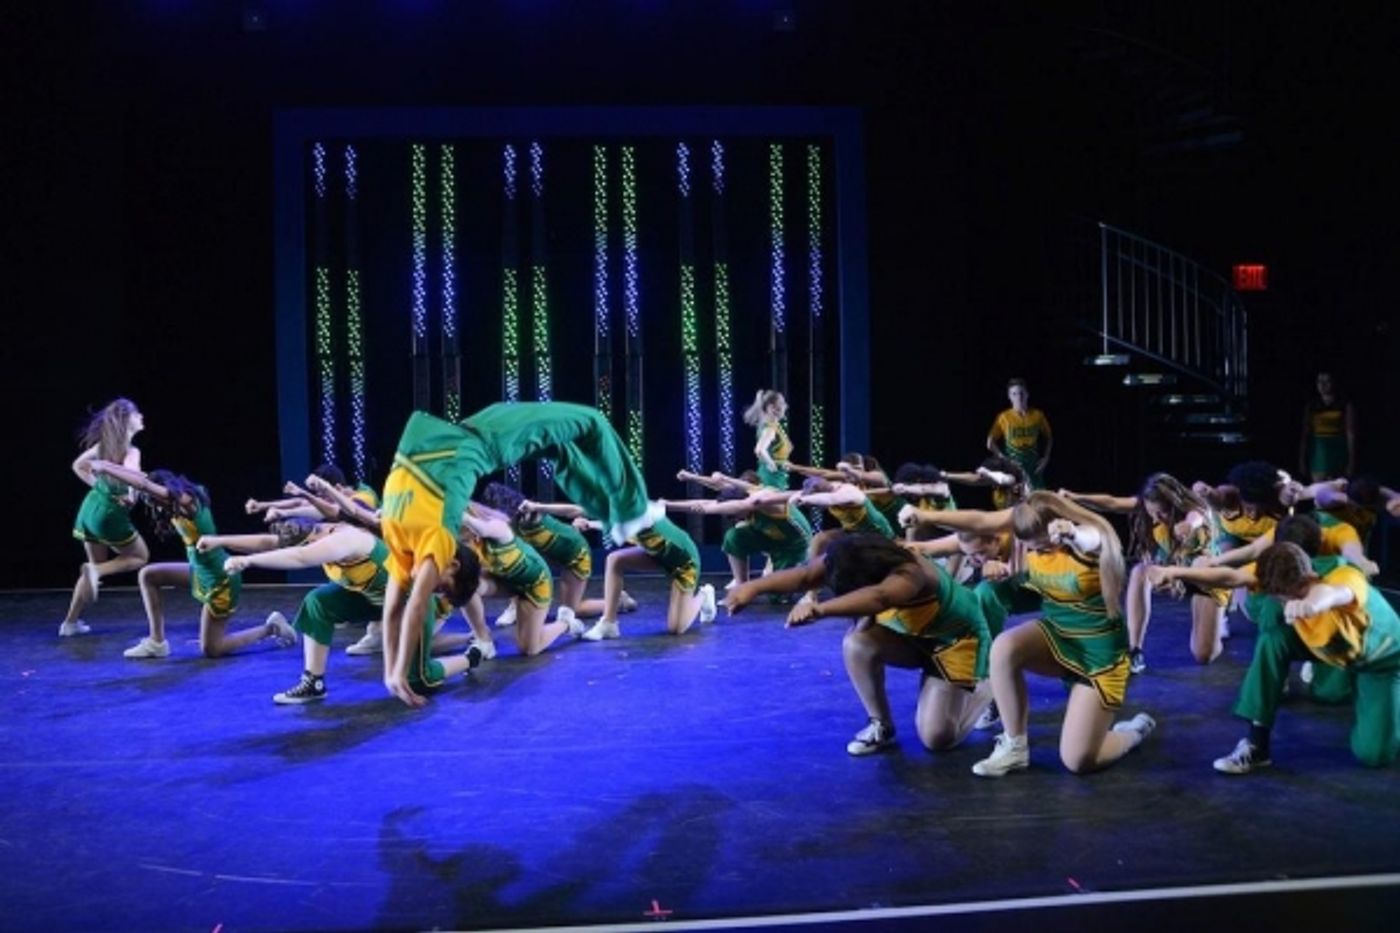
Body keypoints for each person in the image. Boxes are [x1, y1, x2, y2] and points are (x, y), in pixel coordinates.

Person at [379, 402, 657, 707]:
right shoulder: (403, 545)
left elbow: (415, 605)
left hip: (487, 438)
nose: (434, 589)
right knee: (562, 449)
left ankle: (631, 510)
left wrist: (398, 671)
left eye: (441, 585)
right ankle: (611, 508)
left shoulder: (437, 540)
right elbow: (393, 608)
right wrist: (391, 671)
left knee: (591, 421)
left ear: (453, 562)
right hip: (447, 442)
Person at [900, 491, 1155, 777]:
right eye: (1031, 547)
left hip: (1099, 654)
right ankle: (1014, 746)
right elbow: (980, 521)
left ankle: (1133, 732)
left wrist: (1071, 533)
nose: (1036, 552)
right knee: (1004, 647)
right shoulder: (1026, 527)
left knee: (1078, 761)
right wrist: (925, 519)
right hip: (1058, 634)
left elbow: (1091, 536)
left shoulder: (1089, 539)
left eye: (1043, 548)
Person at [726, 533, 994, 757]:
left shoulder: (911, 572)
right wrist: (752, 587)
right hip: (914, 637)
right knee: (857, 643)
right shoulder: (854, 555)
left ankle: (989, 688)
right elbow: (806, 575)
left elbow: (880, 597)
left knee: (937, 738)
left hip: (956, 644)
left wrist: (819, 610)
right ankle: (881, 725)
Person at [1151, 541, 1400, 772]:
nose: (1286, 603)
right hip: (1337, 650)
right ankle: (1257, 745)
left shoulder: (1344, 574)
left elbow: (1337, 593)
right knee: (1274, 640)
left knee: (1374, 754)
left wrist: (1311, 604)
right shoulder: (1278, 575)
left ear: (1308, 577)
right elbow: (1232, 576)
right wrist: (1175, 572)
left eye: (1292, 595)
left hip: (1382, 663)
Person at [87, 460, 298, 659]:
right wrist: (111, 468)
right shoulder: (182, 498)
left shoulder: (187, 502)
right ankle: (156, 642)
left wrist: (105, 467)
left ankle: (272, 628)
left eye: (154, 500)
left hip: (219, 579)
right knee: (148, 575)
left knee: (212, 649)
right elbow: (142, 480)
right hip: (201, 571)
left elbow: (143, 483)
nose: (157, 507)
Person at [1063, 474, 1227, 672]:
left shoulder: (1194, 509)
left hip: (1205, 580)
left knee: (1203, 655)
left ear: (1174, 504)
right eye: (1152, 513)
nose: (1157, 519)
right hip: (1177, 573)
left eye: (1163, 513)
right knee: (1140, 571)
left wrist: (1189, 525)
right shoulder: (1150, 510)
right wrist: (1076, 497)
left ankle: (1219, 623)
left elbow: (1199, 515)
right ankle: (1135, 650)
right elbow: (1112, 502)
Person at [61, 399, 150, 637]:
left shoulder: (103, 446)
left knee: (94, 569)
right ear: (126, 420)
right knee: (140, 556)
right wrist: (131, 491)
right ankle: (96, 572)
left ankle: (69, 623)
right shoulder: (131, 451)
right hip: (109, 515)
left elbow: (78, 466)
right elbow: (132, 473)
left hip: (90, 509)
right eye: (136, 413)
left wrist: (101, 485)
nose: (141, 416)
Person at [987, 378, 1052, 490]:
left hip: (1034, 467)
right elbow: (990, 443)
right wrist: (1004, 459)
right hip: (1014, 468)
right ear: (1009, 396)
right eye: (1014, 394)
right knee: (1017, 503)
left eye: (1021, 393)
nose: (1019, 397)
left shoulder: (1038, 415)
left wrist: (1046, 458)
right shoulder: (1003, 417)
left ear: (1027, 394)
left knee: (1039, 502)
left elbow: (1049, 437)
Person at [1299, 371, 1355, 482]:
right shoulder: (1312, 405)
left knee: (1337, 489)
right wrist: (1301, 459)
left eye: (1327, 381)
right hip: (1318, 450)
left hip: (1338, 448)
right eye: (1319, 382)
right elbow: (1305, 433)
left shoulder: (1344, 404)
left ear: (1334, 383)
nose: (1323, 385)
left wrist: (1351, 461)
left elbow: (1350, 433)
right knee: (1318, 489)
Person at [743, 389, 792, 489]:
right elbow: (759, 450)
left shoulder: (773, 426)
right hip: (772, 477)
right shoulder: (770, 428)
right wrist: (771, 464)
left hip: (778, 475)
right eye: (782, 403)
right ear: (772, 407)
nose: (785, 406)